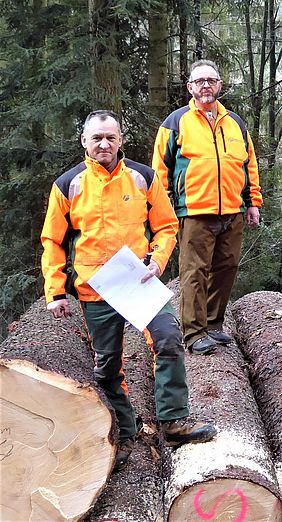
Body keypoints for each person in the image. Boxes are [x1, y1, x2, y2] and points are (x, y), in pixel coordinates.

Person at [41, 109, 216, 471]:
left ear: (120, 140)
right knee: (106, 369)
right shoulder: (68, 184)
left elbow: (167, 226)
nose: (104, 144)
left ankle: (173, 421)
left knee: (168, 339)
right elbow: (53, 241)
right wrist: (55, 290)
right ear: (84, 142)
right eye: (96, 138)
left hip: (138, 281)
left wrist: (157, 260)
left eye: (110, 137)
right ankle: (123, 430)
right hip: (96, 289)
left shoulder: (142, 177)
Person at [152, 59, 262, 355]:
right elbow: (159, 171)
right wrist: (162, 213)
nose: (205, 86)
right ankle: (194, 334)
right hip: (194, 211)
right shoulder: (175, 122)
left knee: (227, 267)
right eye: (199, 81)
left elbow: (248, 165)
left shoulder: (235, 123)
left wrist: (253, 203)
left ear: (219, 86)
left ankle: (213, 324)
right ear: (190, 87)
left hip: (232, 210)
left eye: (211, 80)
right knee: (194, 272)